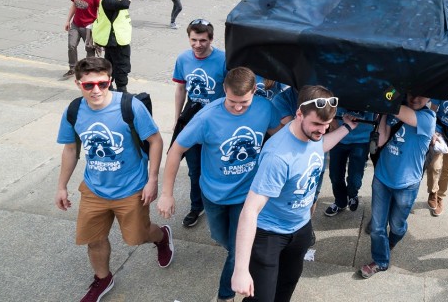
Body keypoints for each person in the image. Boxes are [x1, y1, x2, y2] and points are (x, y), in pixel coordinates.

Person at [55, 57, 173, 302]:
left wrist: (152, 180)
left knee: (138, 236)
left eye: (102, 83)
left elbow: (155, 140)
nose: (96, 90)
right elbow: (70, 149)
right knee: (94, 239)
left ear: (109, 81)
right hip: (94, 188)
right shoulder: (74, 111)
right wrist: (62, 186)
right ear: (78, 84)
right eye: (89, 85)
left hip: (131, 188)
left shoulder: (129, 107)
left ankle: (162, 236)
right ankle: (103, 278)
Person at [158, 67, 273, 302]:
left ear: (254, 91)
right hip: (214, 195)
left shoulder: (265, 108)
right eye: (232, 102)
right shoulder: (206, 117)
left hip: (247, 195)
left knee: (236, 249)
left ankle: (225, 295)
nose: (238, 107)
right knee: (221, 238)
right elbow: (175, 151)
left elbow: (282, 135)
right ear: (224, 90)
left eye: (244, 102)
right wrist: (166, 193)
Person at [232, 87, 357, 300]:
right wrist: (240, 270)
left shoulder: (312, 135)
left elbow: (319, 147)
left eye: (327, 124)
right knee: (262, 298)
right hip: (269, 234)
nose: (322, 130)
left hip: (300, 228)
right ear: (299, 114)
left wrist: (346, 127)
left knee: (287, 286)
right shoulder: (278, 157)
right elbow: (250, 210)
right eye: (317, 124)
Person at [360, 94, 436, 278]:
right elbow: (381, 140)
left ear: (430, 98)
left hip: (407, 184)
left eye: (421, 95)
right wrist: (383, 115)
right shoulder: (394, 109)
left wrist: (386, 94)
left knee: (397, 226)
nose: (415, 98)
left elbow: (399, 109)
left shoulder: (428, 118)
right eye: (411, 93)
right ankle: (380, 261)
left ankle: (393, 239)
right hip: (382, 177)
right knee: (378, 228)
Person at [171, 19, 228, 229]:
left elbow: (231, 91)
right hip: (192, 122)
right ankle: (197, 206)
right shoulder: (183, 59)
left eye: (202, 40)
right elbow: (180, 89)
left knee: (216, 166)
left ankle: (218, 202)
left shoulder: (223, 59)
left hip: (217, 124)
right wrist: (177, 118)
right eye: (193, 40)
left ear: (211, 39)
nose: (197, 45)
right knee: (194, 168)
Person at [324, 106, 374, 216]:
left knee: (355, 180)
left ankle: (353, 195)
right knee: (335, 175)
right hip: (339, 133)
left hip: (362, 137)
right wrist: (332, 122)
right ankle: (340, 202)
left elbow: (391, 94)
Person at [92, 0, 132, 92]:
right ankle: (121, 91)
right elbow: (125, 4)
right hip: (116, 40)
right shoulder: (108, 0)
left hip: (115, 39)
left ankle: (107, 88)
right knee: (121, 66)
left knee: (109, 65)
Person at [64, 0, 101, 78]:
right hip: (76, 24)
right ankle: (73, 68)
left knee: (90, 49)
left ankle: (88, 69)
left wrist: (97, 26)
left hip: (89, 26)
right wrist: (68, 20)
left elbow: (100, 11)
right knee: (71, 45)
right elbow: (74, 6)